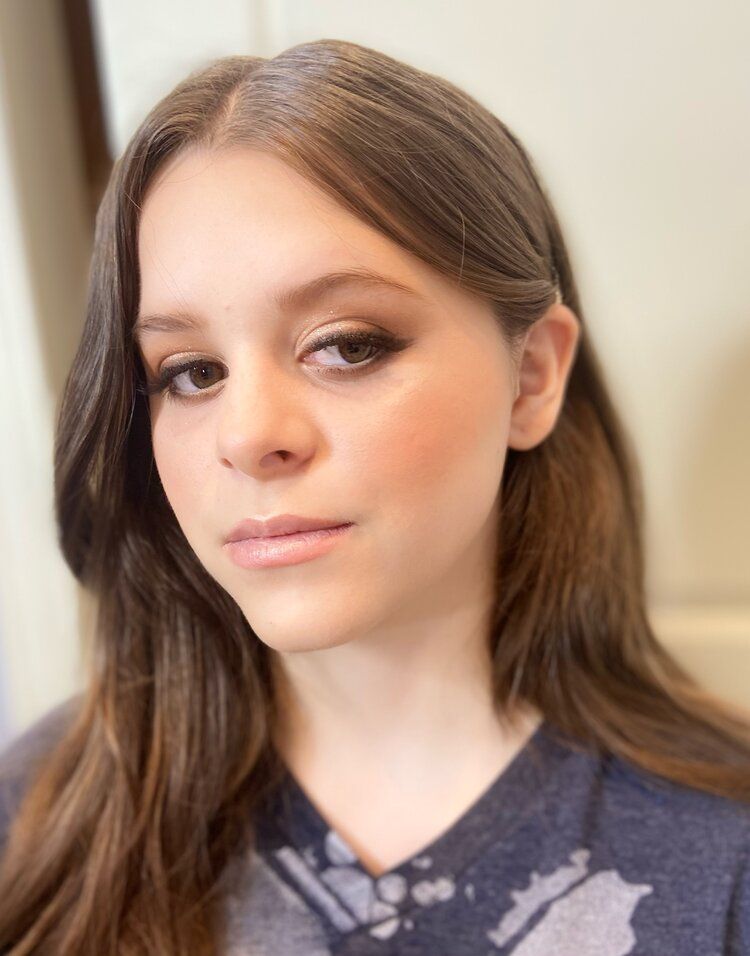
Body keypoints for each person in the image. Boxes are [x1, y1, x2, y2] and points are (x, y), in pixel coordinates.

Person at [0, 38, 748, 955]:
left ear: (531, 378)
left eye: (346, 344)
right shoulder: (35, 820)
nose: (247, 435)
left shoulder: (726, 855)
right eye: (191, 372)